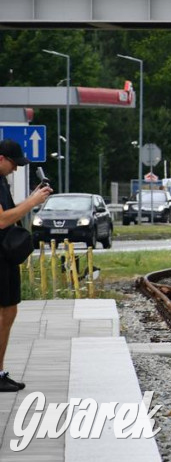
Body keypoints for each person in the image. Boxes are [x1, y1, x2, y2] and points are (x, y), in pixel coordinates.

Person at [0, 139, 53, 392]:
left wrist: (31, 198)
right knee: (4, 313)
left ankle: (0, 371)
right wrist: (31, 203)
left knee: (9, 311)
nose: (16, 169)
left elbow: (10, 212)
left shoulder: (1, 181)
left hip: (5, 256)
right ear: (1, 158)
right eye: (13, 164)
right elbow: (0, 220)